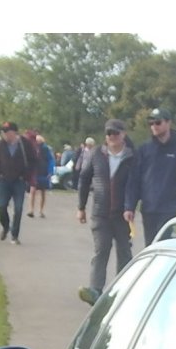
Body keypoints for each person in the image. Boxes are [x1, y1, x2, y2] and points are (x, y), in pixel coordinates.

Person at [76, 118, 137, 305]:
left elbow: (134, 185)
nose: (112, 136)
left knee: (124, 252)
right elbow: (84, 180)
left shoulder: (132, 157)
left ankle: (122, 290)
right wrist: (81, 207)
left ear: (123, 134)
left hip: (122, 214)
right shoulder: (96, 154)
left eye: (116, 133)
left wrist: (130, 207)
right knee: (101, 250)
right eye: (109, 133)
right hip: (100, 212)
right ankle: (95, 290)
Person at [129, 108, 176, 246]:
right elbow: (134, 179)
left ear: (168, 123)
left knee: (164, 244)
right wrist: (129, 206)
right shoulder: (144, 149)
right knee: (150, 246)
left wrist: (173, 192)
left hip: (169, 208)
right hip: (148, 208)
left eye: (158, 122)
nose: (154, 126)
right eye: (151, 123)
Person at [0, 121, 32, 244]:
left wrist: (26, 176)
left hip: (19, 181)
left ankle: (15, 235)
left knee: (18, 208)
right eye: (4, 133)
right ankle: (5, 226)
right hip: (4, 180)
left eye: (7, 132)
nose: (5, 135)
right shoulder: (1, 145)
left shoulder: (25, 144)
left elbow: (33, 160)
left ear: (14, 132)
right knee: (2, 206)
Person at [27, 130, 55, 219]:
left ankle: (41, 210)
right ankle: (31, 210)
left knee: (43, 192)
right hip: (35, 172)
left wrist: (50, 172)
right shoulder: (32, 148)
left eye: (39, 141)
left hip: (43, 172)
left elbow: (51, 160)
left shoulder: (46, 149)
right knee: (32, 191)